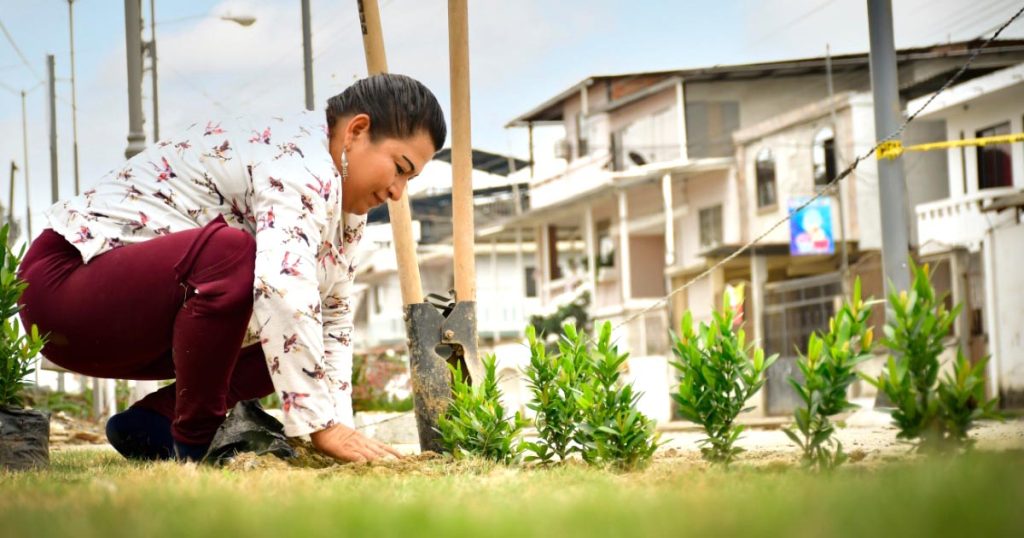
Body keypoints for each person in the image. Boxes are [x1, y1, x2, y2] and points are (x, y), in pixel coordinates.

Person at [17, 73, 444, 463]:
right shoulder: (300, 160)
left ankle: (156, 424)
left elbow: (331, 314)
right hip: (62, 288)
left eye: (410, 181)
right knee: (235, 257)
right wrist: (321, 427)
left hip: (132, 322)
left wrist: (341, 431)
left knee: (293, 340)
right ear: (356, 131)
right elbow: (283, 288)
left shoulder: (347, 208)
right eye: (400, 168)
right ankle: (195, 442)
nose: (397, 192)